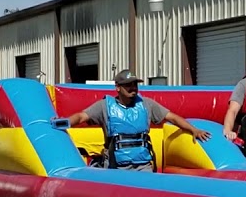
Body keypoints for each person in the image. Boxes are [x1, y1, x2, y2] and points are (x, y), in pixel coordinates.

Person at [65, 69, 210, 171]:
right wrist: (64, 122)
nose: (133, 88)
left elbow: (172, 117)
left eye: (135, 84)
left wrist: (193, 130)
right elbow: (81, 117)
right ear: (117, 87)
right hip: (116, 166)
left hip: (143, 165)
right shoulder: (104, 106)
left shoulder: (147, 104)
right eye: (128, 85)